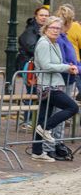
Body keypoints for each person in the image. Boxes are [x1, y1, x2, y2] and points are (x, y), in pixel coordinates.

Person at [31, 16, 79, 162]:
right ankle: (45, 128)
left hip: (54, 84)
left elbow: (58, 62)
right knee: (72, 107)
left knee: (43, 117)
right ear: (46, 28)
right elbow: (46, 65)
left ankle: (37, 152)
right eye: (53, 28)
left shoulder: (55, 43)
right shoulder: (44, 43)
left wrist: (68, 66)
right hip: (48, 86)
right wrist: (66, 68)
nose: (56, 31)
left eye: (58, 28)